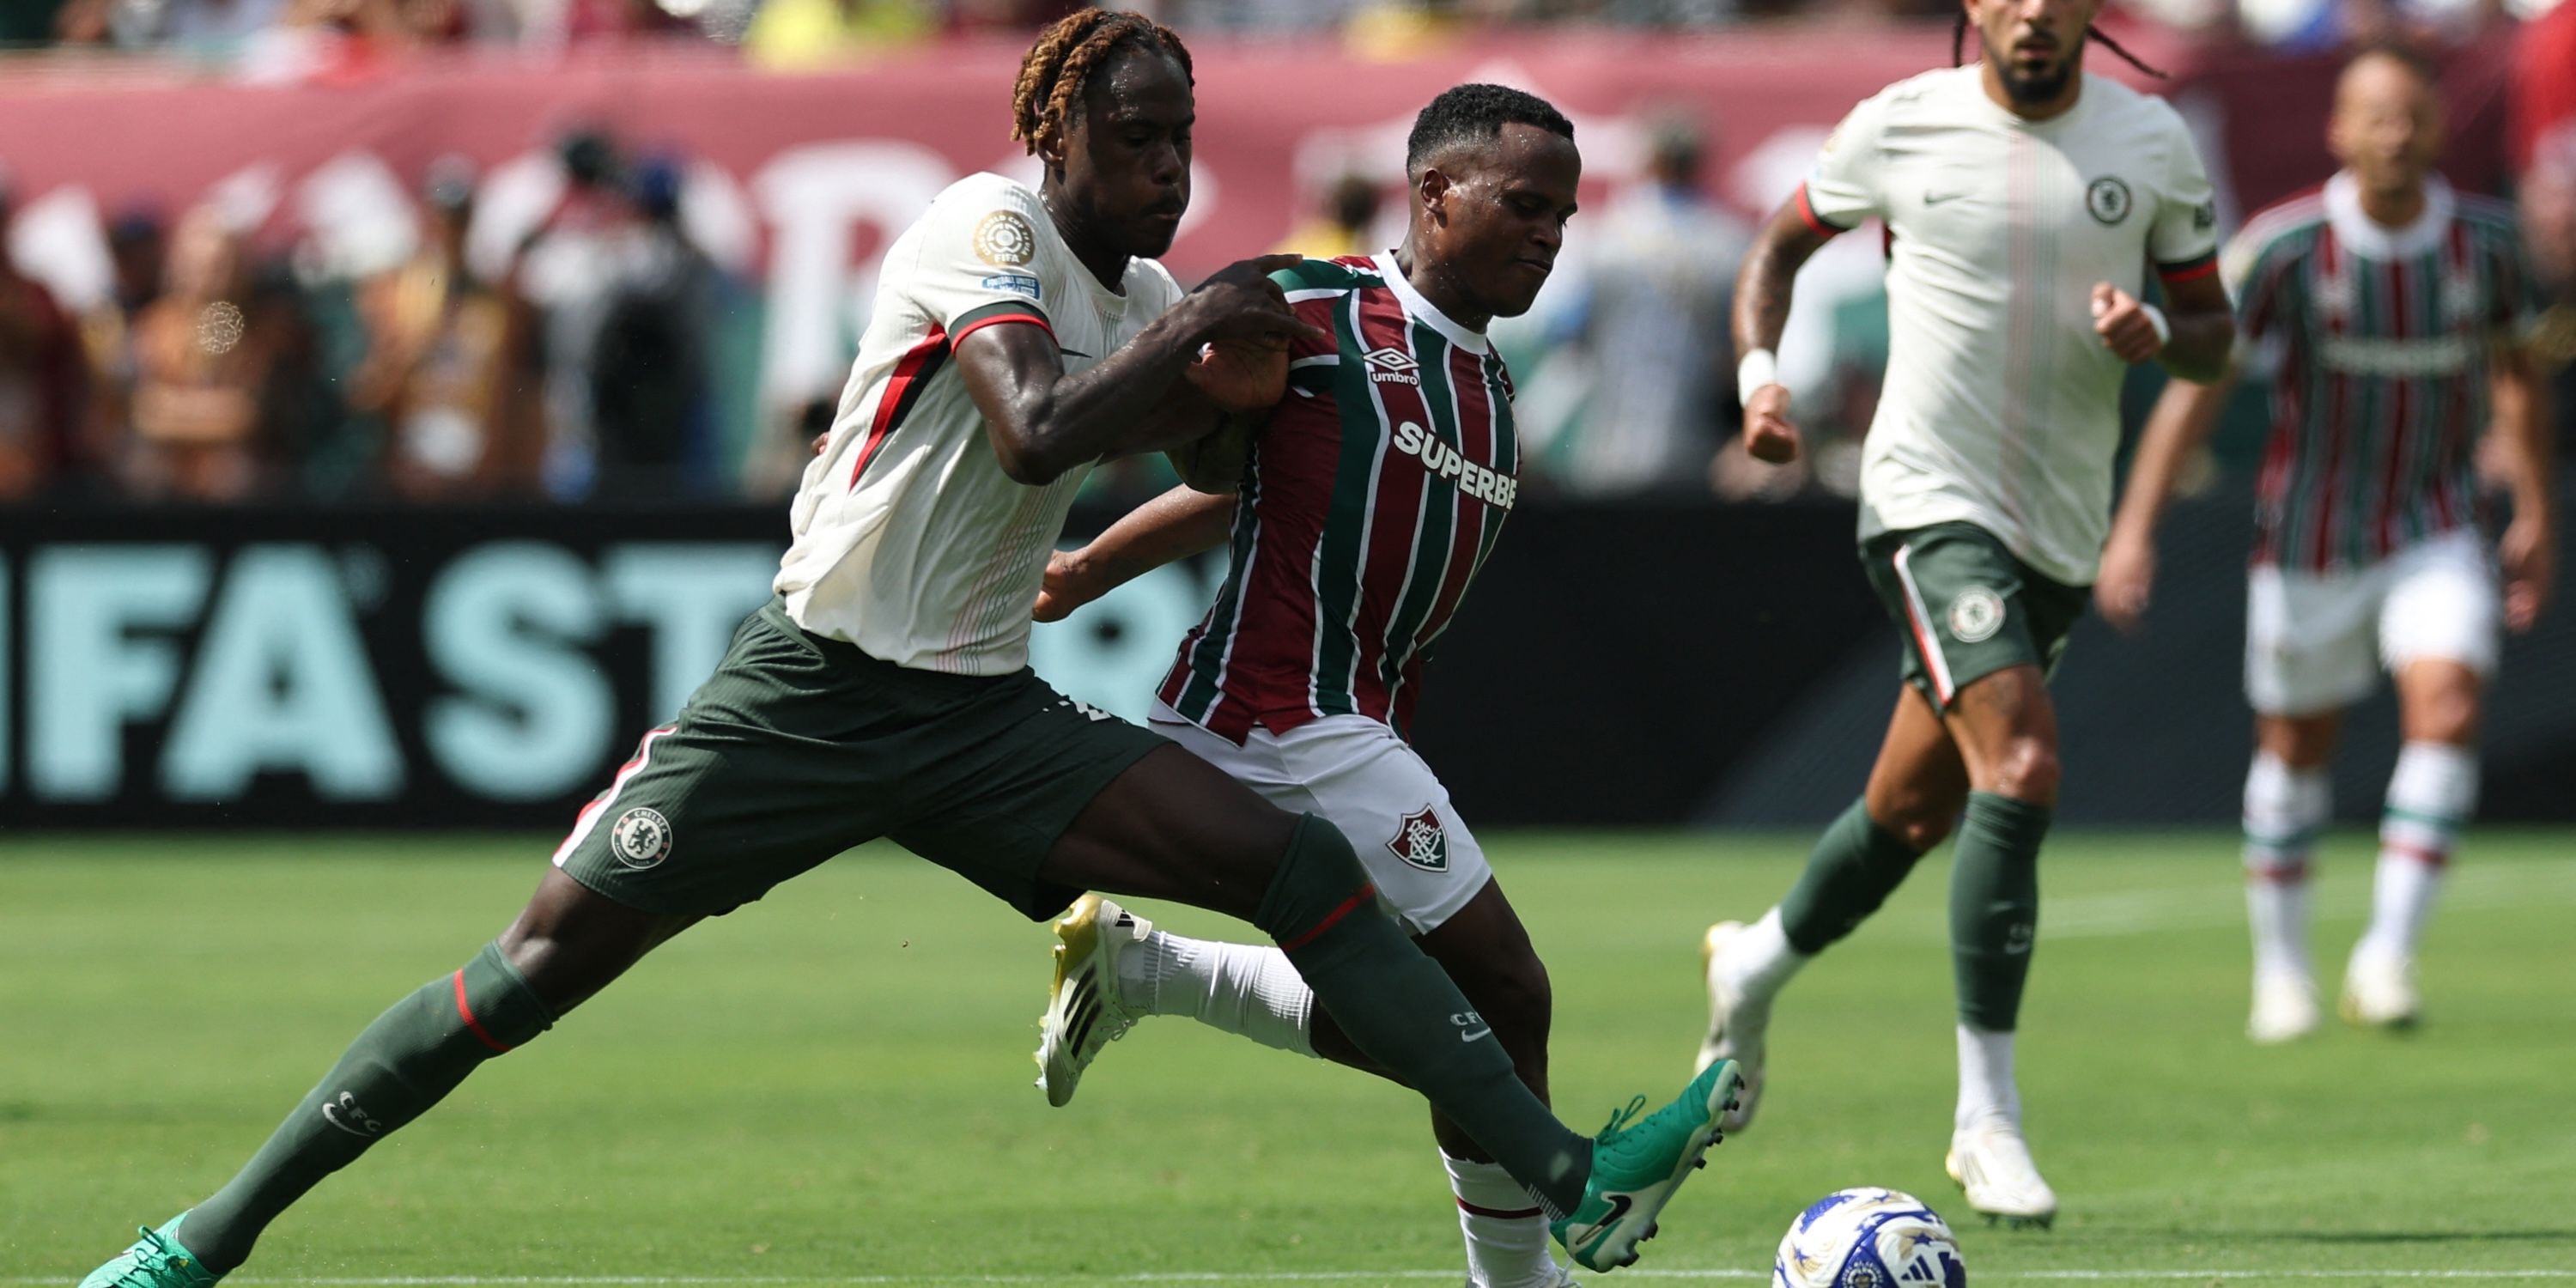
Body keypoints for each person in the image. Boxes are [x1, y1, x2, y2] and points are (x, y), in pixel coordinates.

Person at [76, 13, 1733, 1288]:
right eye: (1138, 137)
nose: (1166, 168)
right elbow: (1030, 433)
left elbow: (1209, 470)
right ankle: (203, 1241)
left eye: (1185, 140)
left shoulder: (1153, 286)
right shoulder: (982, 235)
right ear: (1054, 127)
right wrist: (1192, 336)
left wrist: (1228, 429)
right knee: (528, 974)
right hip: (805, 694)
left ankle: (1571, 1177)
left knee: (1304, 870)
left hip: (980, 718)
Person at [1028, 83, 1662, 1288]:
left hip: (1357, 718)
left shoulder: (1491, 381)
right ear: (1433, 193)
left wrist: (1096, 567)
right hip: (1283, 710)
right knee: (1507, 994)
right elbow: (1215, 450)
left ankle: (1149, 969)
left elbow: (1281, 479)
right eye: (1525, 205)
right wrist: (1088, 560)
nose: (1549, 234)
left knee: (1466, 1007)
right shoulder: (1313, 303)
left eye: (1565, 217)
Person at [1691, 0, 2234, 1229]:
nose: (2033, 11)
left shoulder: (2151, 144)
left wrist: (2161, 334)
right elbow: (1775, 252)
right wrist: (1759, 381)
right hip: (1927, 501)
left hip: (2061, 530)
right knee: (2026, 759)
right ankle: (1987, 1118)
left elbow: (2214, 338)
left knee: (1914, 808)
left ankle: (1755, 961)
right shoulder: (1902, 126)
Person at [2097, 45, 2555, 1042]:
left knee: (2450, 701)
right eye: (2375, 117)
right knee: (2298, 747)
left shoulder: (2487, 246)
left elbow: (2518, 374)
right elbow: (2198, 386)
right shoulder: (2288, 247)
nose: (2396, 134)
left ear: (2436, 128)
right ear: (2340, 130)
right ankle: (2284, 972)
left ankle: (2388, 958)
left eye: (2412, 116)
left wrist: (2535, 511)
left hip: (2437, 522)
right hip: (2311, 535)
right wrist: (2134, 529)